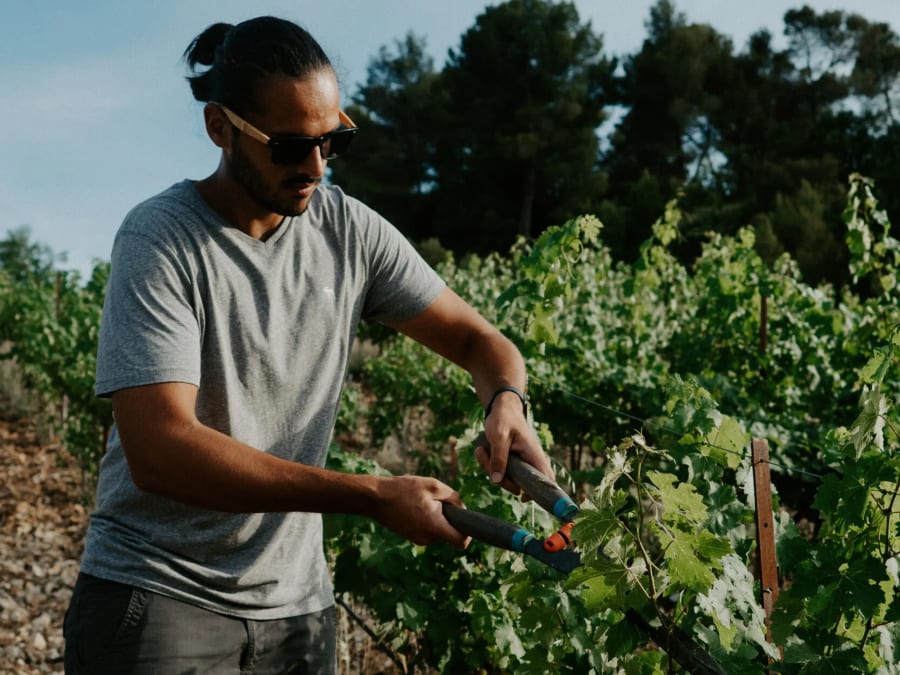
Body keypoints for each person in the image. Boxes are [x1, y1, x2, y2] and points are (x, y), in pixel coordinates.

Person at [63, 15, 552, 675]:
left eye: (333, 140)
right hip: (160, 596)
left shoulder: (347, 229)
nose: (316, 167)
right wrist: (373, 494)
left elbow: (479, 340)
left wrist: (507, 400)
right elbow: (159, 451)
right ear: (220, 128)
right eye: (291, 146)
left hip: (296, 608)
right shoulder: (162, 239)